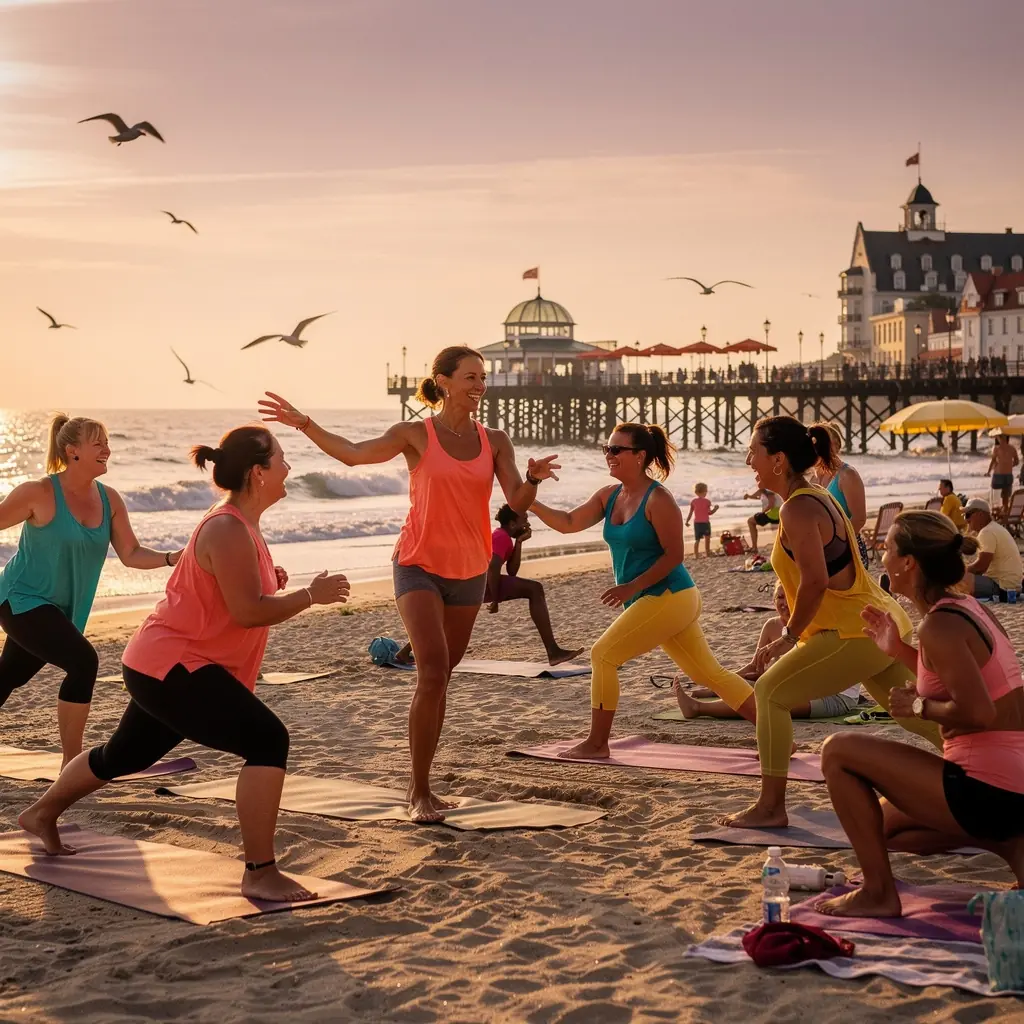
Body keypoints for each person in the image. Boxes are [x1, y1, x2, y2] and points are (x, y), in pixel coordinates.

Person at [18, 425, 351, 902]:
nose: (288, 468)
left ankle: (40, 814)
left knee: (124, 756)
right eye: (281, 460)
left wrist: (272, 582)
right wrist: (307, 597)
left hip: (165, 662)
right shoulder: (227, 526)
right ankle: (259, 871)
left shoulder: (241, 523)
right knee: (267, 739)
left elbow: (238, 594)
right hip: (175, 666)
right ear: (258, 473)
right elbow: (248, 612)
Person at [258, 346, 559, 822]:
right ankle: (418, 791)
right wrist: (304, 423)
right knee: (433, 669)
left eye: (483, 378)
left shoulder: (495, 439)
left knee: (442, 678)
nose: (479, 385)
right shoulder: (414, 434)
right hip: (417, 563)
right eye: (470, 377)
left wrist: (535, 480)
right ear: (442, 381)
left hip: (470, 570)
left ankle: (428, 786)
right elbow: (355, 456)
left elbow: (515, 501)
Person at [721, 416, 941, 830]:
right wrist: (784, 594)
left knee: (769, 692)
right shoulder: (815, 495)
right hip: (876, 619)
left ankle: (771, 807)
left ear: (779, 459)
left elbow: (818, 582)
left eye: (755, 452)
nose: (749, 459)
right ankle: (986, 771)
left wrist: (787, 636)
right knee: (909, 714)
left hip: (853, 630)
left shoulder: (798, 508)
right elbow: (818, 571)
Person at [818, 511, 1024, 918]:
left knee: (837, 751)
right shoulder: (964, 607)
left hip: (987, 787)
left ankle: (878, 893)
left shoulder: (939, 626)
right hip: (1012, 784)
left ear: (909, 562)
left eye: (889, 549)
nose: (882, 559)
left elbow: (979, 712)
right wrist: (897, 651)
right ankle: (1011, 843)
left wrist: (917, 706)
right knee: (883, 828)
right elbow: (967, 682)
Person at [529, 422, 756, 759]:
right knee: (709, 674)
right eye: (607, 449)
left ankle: (597, 744)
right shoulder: (609, 495)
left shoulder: (659, 499)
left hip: (670, 596)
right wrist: (531, 500)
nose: (609, 455)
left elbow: (675, 555)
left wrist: (630, 587)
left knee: (603, 654)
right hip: (657, 599)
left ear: (639, 456)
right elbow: (568, 523)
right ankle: (778, 733)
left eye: (617, 449)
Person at [0, 414, 182, 768]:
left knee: (9, 677)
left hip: (61, 609)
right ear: (72, 451)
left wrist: (173, 557)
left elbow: (130, 554)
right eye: (97, 443)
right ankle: (72, 766)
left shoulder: (109, 499)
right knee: (83, 661)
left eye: (107, 442)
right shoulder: (38, 492)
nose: (106, 450)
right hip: (19, 598)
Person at [671, 582, 862, 721]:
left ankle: (698, 708)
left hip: (834, 698)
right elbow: (757, 668)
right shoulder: (787, 627)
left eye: (789, 597)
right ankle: (705, 698)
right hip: (804, 688)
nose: (784, 603)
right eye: (780, 597)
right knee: (759, 689)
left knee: (767, 702)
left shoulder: (817, 625)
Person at [484, 505, 581, 665]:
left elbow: (512, 571)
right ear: (513, 524)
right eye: (525, 520)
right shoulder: (501, 537)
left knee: (535, 589)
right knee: (535, 589)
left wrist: (519, 542)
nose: (528, 525)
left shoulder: (506, 538)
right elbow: (492, 568)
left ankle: (553, 651)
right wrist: (495, 599)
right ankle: (553, 651)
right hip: (482, 581)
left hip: (485, 581)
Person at [810, 423, 869, 566]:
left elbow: (859, 519)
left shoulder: (847, 475)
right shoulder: (812, 478)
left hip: (847, 550)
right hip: (819, 551)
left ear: (836, 445)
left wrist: (835, 546)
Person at [963, 497, 1022, 600]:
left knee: (957, 578)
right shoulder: (994, 528)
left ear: (980, 514)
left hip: (1002, 587)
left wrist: (963, 571)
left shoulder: (987, 532)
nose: (966, 520)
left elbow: (981, 567)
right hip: (1011, 585)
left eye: (968, 515)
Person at [987, 435, 1018, 518]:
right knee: (1005, 495)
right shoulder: (1012, 448)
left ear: (1000, 438)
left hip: (998, 475)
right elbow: (1017, 461)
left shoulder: (996, 448)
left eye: (998, 437)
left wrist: (988, 471)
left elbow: (993, 461)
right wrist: (1008, 465)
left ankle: (997, 512)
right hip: (1008, 474)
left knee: (995, 496)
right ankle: (1004, 511)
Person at [685, 482, 718, 558]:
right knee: (707, 538)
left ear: (696, 492)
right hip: (705, 523)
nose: (706, 493)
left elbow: (690, 513)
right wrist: (715, 509)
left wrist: (687, 521)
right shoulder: (707, 502)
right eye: (706, 491)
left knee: (697, 540)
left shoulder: (693, 501)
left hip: (697, 523)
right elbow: (710, 513)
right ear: (705, 491)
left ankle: (696, 555)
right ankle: (707, 553)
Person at [745, 487, 781, 553]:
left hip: (773, 514)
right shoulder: (763, 491)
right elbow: (758, 496)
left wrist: (762, 513)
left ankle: (754, 547)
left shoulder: (769, 490)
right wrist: (749, 496)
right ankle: (754, 547)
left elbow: (771, 504)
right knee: (751, 521)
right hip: (773, 513)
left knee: (750, 521)